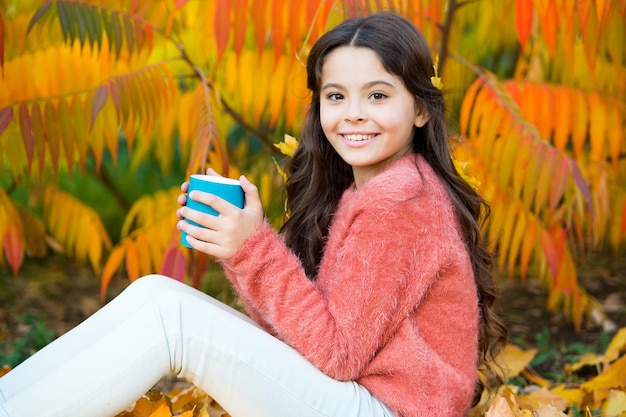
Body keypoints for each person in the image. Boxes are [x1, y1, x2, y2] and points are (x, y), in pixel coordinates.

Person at [0, 12, 507, 417]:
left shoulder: (399, 202)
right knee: (158, 293)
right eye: (336, 96)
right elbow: (310, 340)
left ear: (420, 109)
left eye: (377, 95)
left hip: (386, 409)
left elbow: (335, 356)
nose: (353, 112)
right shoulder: (378, 190)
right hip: (360, 397)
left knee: (171, 319)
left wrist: (252, 250)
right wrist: (240, 249)